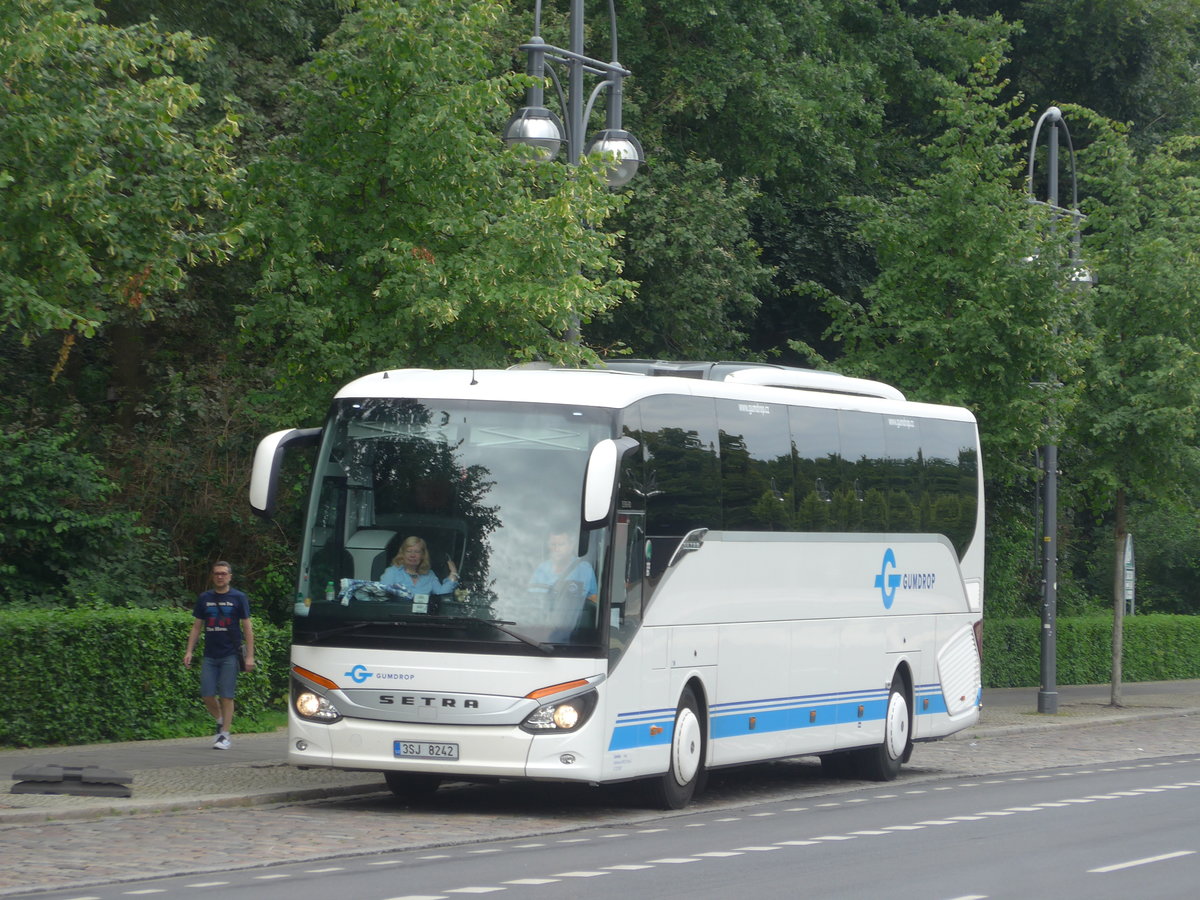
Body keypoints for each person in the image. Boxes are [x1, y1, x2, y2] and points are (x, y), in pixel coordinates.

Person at [184, 561, 255, 750]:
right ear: (212, 576)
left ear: (230, 576)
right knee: (207, 694)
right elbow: (197, 626)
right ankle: (220, 719)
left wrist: (250, 656)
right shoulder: (204, 598)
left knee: (226, 695)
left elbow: (247, 627)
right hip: (210, 654)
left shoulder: (239, 598)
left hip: (230, 654)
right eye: (217, 574)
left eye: (223, 573)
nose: (220, 577)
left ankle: (224, 735)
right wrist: (189, 650)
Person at [529, 531, 598, 640]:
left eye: (561, 545)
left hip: (576, 634)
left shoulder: (584, 569)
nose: (556, 549)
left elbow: (594, 601)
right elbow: (534, 603)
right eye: (553, 544)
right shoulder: (542, 569)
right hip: (545, 635)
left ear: (571, 546)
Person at [381, 535, 460, 594]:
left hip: (421, 616)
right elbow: (383, 597)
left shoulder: (429, 575)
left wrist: (453, 573)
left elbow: (441, 593)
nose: (412, 555)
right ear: (403, 554)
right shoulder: (391, 572)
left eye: (417, 552)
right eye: (409, 551)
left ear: (423, 555)